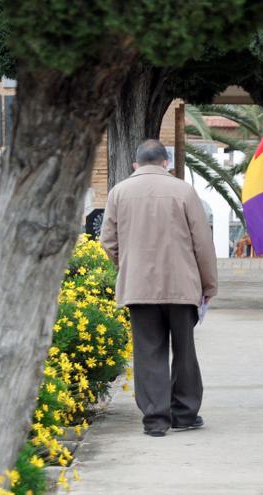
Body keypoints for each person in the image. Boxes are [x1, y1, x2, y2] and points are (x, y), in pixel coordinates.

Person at [100, 139, 218, 437]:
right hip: (182, 285)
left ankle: (155, 419)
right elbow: (202, 243)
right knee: (185, 350)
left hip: (139, 287)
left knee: (148, 350)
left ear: (135, 165)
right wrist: (208, 284)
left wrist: (127, 264)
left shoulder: (119, 192)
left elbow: (108, 241)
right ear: (167, 163)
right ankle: (184, 413)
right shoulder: (184, 191)